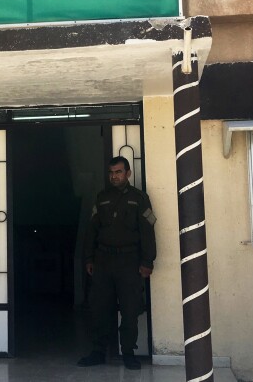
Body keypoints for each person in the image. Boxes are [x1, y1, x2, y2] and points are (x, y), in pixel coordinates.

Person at [77, 156, 157, 371]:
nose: (114, 176)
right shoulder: (102, 197)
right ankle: (98, 351)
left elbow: (147, 232)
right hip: (103, 261)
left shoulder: (139, 198)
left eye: (119, 172)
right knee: (99, 307)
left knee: (130, 309)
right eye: (111, 172)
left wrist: (147, 261)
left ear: (128, 173)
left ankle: (129, 352)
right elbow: (92, 230)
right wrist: (89, 258)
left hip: (129, 262)